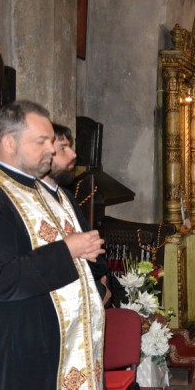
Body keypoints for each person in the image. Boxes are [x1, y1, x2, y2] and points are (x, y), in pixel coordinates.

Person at [0, 101, 107, 390]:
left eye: (52, 142)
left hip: (59, 350)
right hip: (20, 351)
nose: (51, 149)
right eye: (42, 141)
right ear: (9, 143)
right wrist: (69, 250)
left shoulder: (42, 190)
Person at [41, 122, 112, 306]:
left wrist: (102, 281)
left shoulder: (66, 196)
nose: (73, 154)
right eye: (63, 148)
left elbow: (92, 248)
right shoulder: (31, 201)